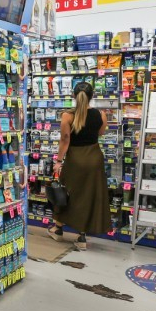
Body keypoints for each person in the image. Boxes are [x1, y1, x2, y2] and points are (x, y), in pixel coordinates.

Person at [49, 82, 111, 250]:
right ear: (92, 96)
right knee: (88, 196)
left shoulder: (67, 116)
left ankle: (58, 229)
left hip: (75, 159)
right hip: (94, 158)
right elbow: (100, 133)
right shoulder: (101, 114)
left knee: (66, 193)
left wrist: (58, 161)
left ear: (74, 96)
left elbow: (65, 140)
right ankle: (82, 237)